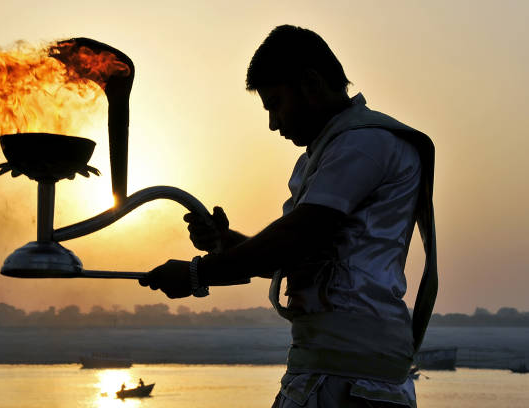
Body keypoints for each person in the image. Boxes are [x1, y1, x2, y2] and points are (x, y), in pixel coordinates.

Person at [138, 25, 437, 408]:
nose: (273, 123)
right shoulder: (323, 154)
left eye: (275, 104)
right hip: (323, 372)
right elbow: (298, 257)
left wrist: (198, 273)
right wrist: (224, 243)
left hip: (354, 383)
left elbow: (299, 236)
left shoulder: (365, 143)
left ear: (311, 83)